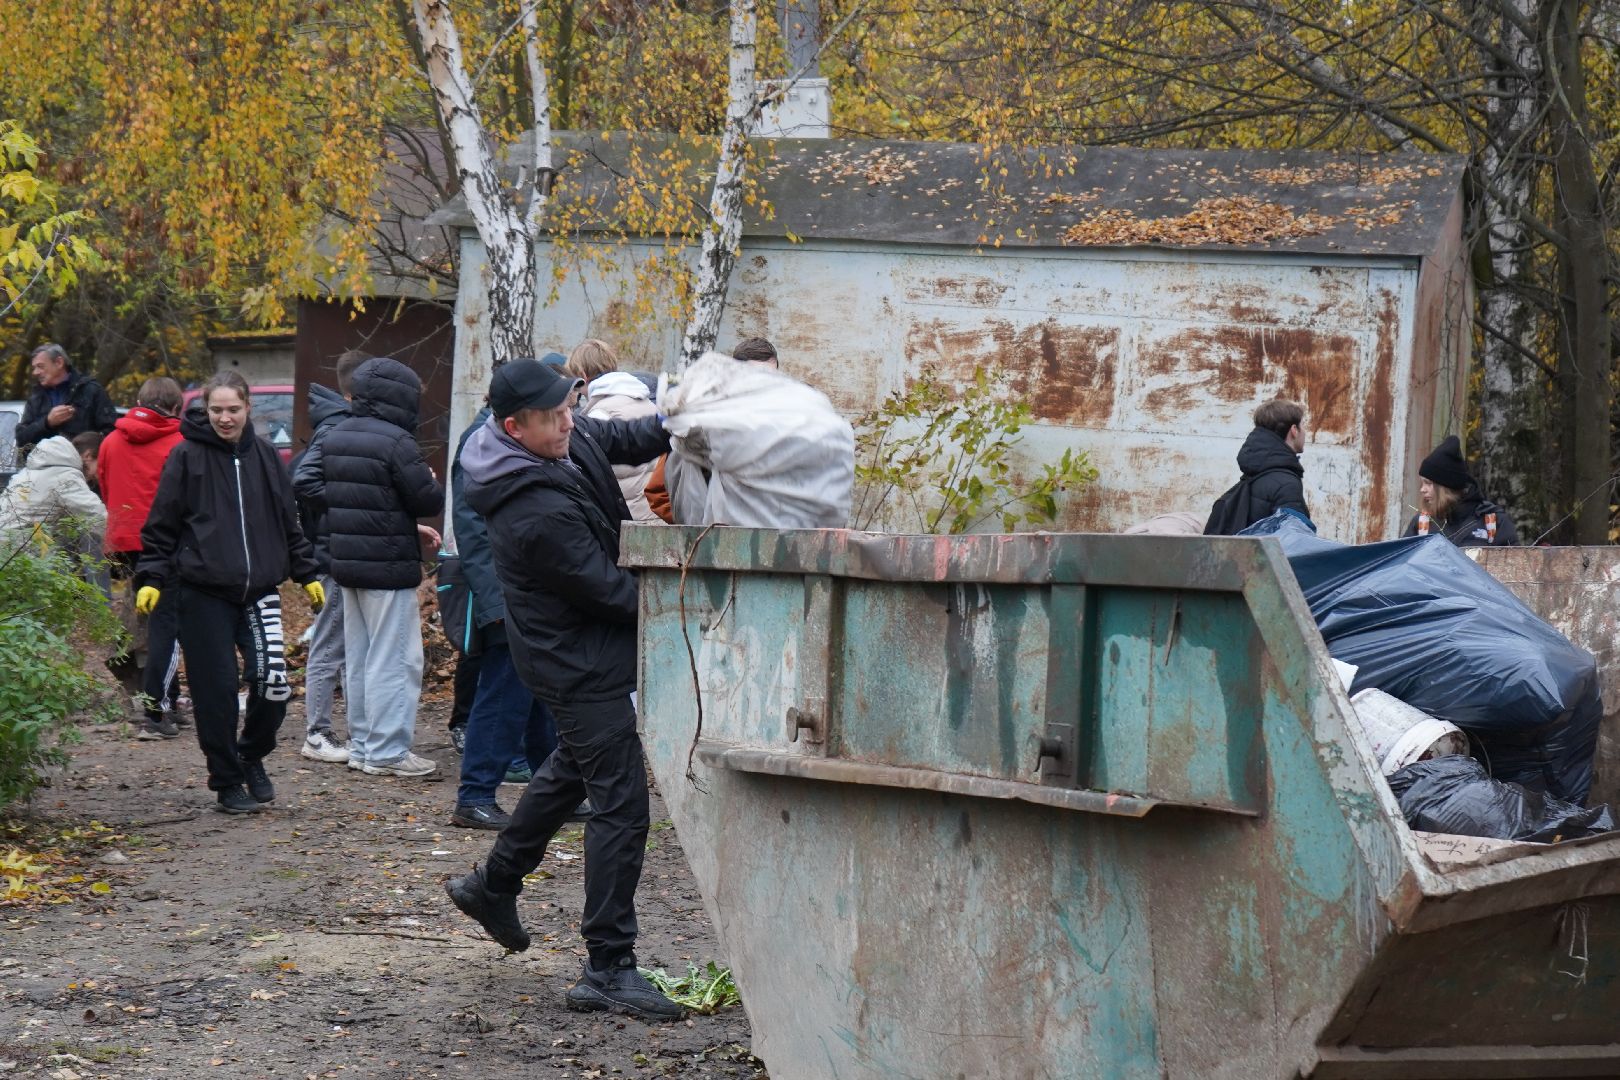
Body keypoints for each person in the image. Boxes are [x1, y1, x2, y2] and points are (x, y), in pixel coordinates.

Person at [444, 357, 681, 1019]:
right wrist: (690, 601)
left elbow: (622, 438)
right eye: (554, 416)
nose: (569, 423)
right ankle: (608, 965)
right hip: (574, 662)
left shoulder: (560, 439)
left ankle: (492, 884)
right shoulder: (529, 508)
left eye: (569, 409)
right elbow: (609, 591)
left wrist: (683, 420)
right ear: (514, 428)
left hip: (584, 650)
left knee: (571, 768)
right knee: (622, 806)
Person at [134, 372, 324, 815]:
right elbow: (162, 525)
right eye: (216, 410)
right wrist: (151, 577)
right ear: (206, 409)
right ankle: (227, 781)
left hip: (260, 591)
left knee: (273, 683)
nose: (225, 418)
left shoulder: (266, 456)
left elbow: (288, 519)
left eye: (233, 409)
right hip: (202, 593)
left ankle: (250, 755)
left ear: (247, 409)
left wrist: (306, 571)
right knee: (216, 693)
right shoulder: (186, 456)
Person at [304, 356, 443, 777]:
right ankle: (388, 751)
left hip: (346, 562)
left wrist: (352, 509)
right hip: (387, 563)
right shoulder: (398, 442)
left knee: (362, 657)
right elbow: (427, 499)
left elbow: (305, 482)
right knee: (395, 657)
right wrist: (426, 481)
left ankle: (364, 746)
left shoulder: (336, 434)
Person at [447, 396, 563, 830]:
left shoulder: (508, 444)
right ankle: (475, 794)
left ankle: (556, 793)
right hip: (506, 595)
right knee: (502, 696)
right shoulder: (480, 446)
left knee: (538, 698)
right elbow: (473, 533)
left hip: (526, 593)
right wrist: (496, 602)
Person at [290, 350, 367, 764]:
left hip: (339, 548)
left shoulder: (339, 423)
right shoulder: (336, 427)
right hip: (332, 551)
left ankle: (354, 732)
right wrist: (350, 504)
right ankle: (317, 732)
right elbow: (304, 481)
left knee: (347, 644)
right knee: (330, 643)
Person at [98, 377, 186, 739]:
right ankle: (156, 711)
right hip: (167, 543)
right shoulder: (179, 442)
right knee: (168, 625)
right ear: (177, 407)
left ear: (138, 400)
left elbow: (105, 488)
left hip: (126, 541)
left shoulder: (110, 441)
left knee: (152, 622)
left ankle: (169, 700)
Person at [569, 339, 662, 524]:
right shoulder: (646, 402)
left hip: (628, 521)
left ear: (582, 375)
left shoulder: (599, 415)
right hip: (656, 513)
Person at [1204, 398, 1310, 535]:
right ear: (1294, 430)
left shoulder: (1253, 475)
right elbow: (1293, 541)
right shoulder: (1287, 484)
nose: (1305, 432)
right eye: (1303, 425)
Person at [1402, 435, 1520, 547]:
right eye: (1422, 483)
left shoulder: (1492, 521)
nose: (1422, 490)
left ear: (1446, 486)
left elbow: (1514, 560)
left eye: (1428, 483)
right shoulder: (1422, 524)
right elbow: (1402, 560)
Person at [0, 435, 107, 541]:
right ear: (88, 455)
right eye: (103, 463)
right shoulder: (65, 476)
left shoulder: (27, 473)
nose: (101, 472)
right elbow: (98, 516)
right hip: (23, 546)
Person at [15, 343, 118, 450]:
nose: (35, 372)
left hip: (81, 460)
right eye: (34, 368)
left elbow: (111, 432)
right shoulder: (35, 399)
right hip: (41, 460)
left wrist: (87, 450)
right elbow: (21, 439)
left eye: (40, 366)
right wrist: (47, 422)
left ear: (59, 363)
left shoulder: (91, 391)